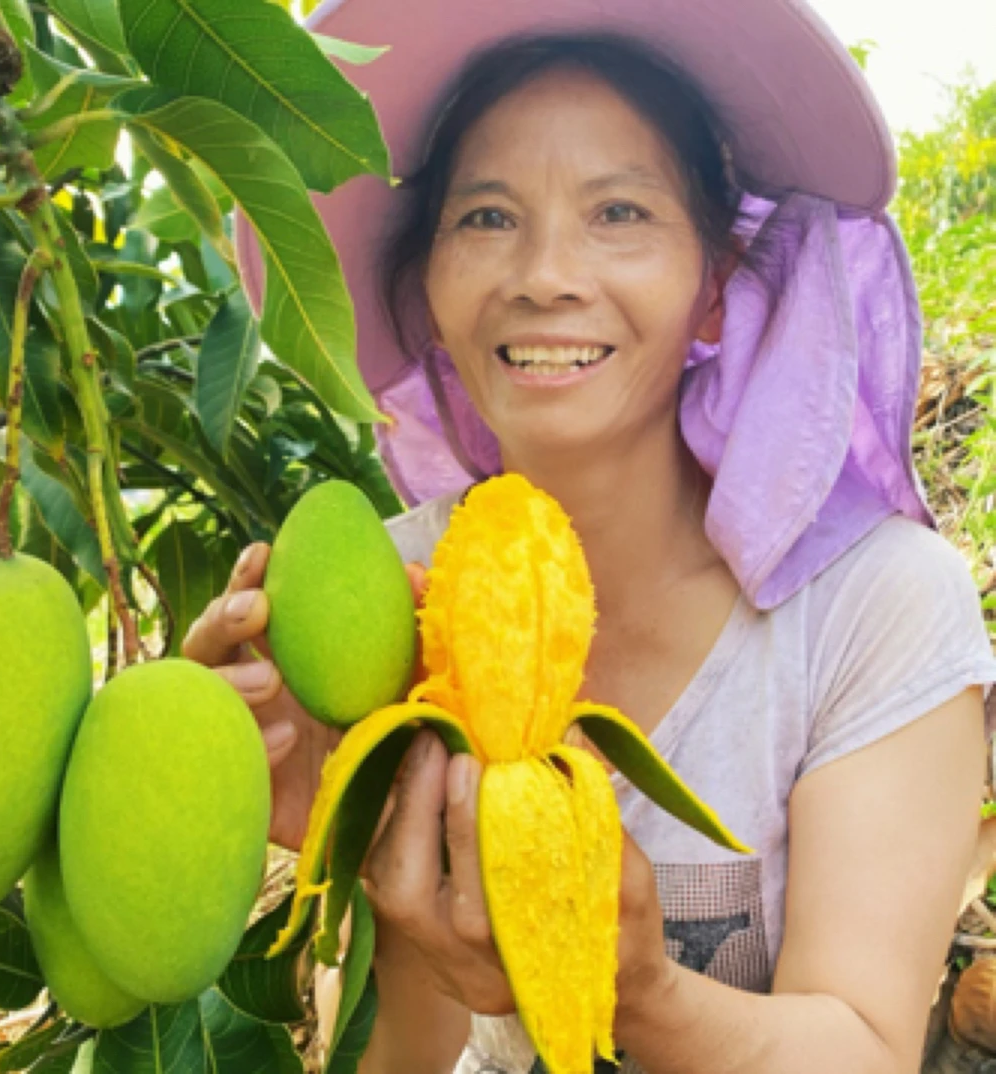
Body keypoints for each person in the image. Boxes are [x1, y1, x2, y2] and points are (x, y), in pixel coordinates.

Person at [185, 1, 996, 1071]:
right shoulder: (390, 594)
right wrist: (348, 831)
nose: (545, 274)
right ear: (426, 293)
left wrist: (636, 995)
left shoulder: (874, 606)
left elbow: (867, 1049)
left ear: (715, 290)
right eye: (485, 218)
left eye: (619, 212)